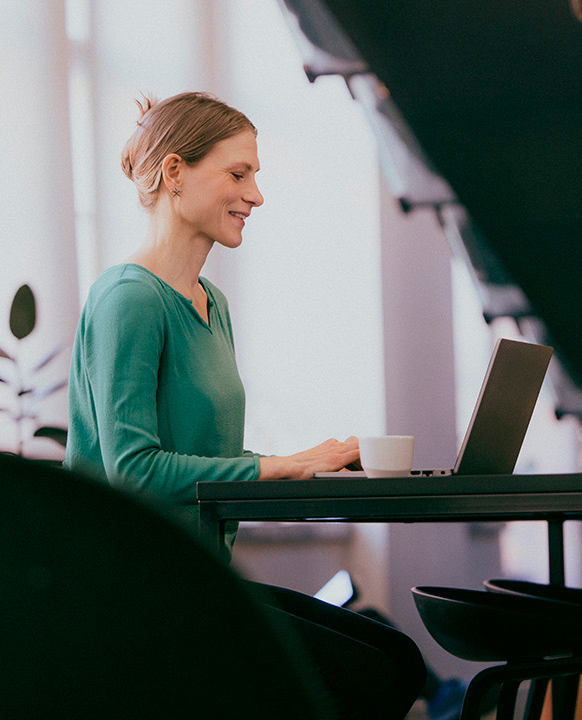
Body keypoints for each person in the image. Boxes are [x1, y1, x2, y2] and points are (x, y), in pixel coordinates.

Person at [64, 92, 423, 718]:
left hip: (198, 579)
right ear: (175, 173)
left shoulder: (211, 303)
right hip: (136, 593)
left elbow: (208, 459)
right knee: (368, 675)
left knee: (398, 659)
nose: (256, 195)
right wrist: (285, 465)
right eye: (239, 174)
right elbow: (135, 471)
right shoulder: (128, 299)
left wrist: (311, 462)